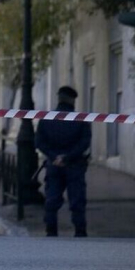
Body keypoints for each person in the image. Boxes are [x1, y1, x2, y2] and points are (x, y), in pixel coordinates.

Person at [36, 86, 92, 237]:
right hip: (75, 165)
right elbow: (84, 143)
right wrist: (67, 157)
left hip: (54, 166)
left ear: (59, 98)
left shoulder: (47, 118)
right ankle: (80, 233)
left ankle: (51, 232)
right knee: (77, 202)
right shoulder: (80, 119)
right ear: (73, 100)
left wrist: (55, 157)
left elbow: (39, 142)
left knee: (52, 200)